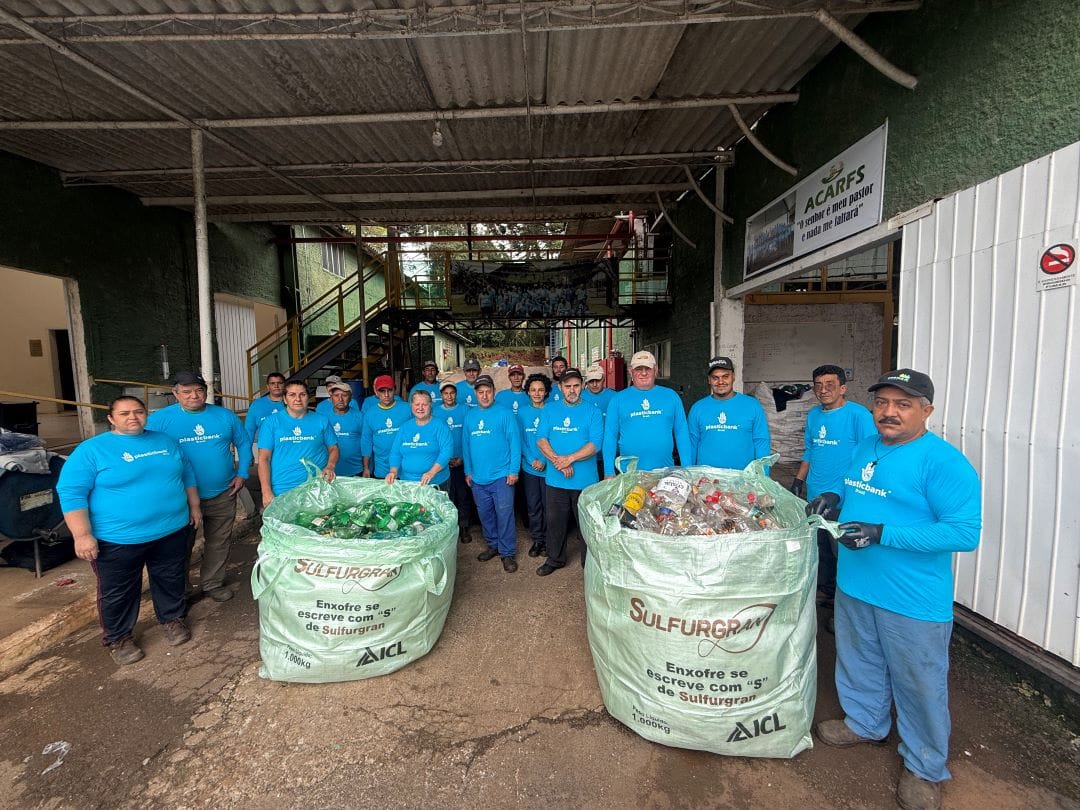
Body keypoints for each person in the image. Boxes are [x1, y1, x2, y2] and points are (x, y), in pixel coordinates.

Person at [806, 369, 981, 810]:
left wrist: (884, 533)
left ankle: (925, 766)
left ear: (927, 411)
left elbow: (963, 533)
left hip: (912, 598)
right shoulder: (867, 447)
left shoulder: (943, 462)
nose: (889, 412)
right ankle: (865, 722)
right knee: (858, 659)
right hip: (856, 584)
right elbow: (856, 492)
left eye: (903, 404)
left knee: (919, 682)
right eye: (882, 403)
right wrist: (834, 498)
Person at [57, 396, 201, 665]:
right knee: (119, 590)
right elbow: (71, 492)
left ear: (146, 415)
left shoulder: (165, 442)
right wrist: (82, 534)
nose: (132, 417)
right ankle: (119, 637)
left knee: (170, 578)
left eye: (138, 412)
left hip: (171, 529)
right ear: (111, 418)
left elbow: (187, 474)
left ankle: (172, 619)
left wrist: (194, 506)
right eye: (124, 413)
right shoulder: (92, 450)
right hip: (118, 538)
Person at [147, 371, 251, 603]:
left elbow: (243, 443)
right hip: (180, 497)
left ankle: (212, 583)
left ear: (205, 391)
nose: (194, 395)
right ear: (175, 394)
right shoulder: (159, 420)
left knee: (219, 540)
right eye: (186, 391)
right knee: (180, 546)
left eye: (199, 390)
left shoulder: (224, 416)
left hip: (223, 492)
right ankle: (180, 590)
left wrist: (242, 473)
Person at [791, 364, 876, 612]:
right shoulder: (814, 415)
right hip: (816, 495)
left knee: (844, 552)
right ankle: (827, 593)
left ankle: (847, 605)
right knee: (821, 548)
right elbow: (810, 449)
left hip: (845, 498)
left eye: (830, 385)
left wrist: (842, 490)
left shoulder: (858, 416)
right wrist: (799, 480)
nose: (823, 390)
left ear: (843, 387)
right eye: (818, 385)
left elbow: (869, 457)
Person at [535, 368, 603, 575]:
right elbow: (541, 439)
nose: (572, 390)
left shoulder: (593, 411)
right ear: (560, 387)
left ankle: (588, 563)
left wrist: (569, 459)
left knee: (586, 525)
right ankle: (555, 559)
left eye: (575, 385)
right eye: (567, 386)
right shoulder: (549, 410)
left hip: (585, 481)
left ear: (582, 386)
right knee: (555, 522)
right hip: (556, 480)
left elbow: (595, 444)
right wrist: (559, 461)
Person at [463, 374, 521, 572]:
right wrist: (468, 470)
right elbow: (466, 444)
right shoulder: (470, 415)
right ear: (476, 394)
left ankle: (507, 552)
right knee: (485, 514)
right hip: (478, 478)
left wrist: (513, 470)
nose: (485, 396)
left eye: (488, 392)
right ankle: (493, 545)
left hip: (501, 476)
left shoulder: (505, 414)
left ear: (494, 392)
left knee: (504, 514)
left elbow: (515, 443)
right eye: (481, 392)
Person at [602, 350, 691, 476]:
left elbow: (682, 433)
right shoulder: (617, 400)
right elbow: (610, 436)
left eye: (648, 369)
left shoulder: (671, 396)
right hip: (629, 474)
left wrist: (687, 468)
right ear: (630, 371)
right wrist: (608, 472)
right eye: (639, 369)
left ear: (656, 370)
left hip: (664, 473)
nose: (643, 373)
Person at [256, 380, 338, 507]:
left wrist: (330, 466)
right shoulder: (271, 422)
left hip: (317, 488)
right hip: (283, 489)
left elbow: (333, 448)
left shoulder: (321, 420)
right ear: (284, 399)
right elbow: (263, 459)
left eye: (302, 394)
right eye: (292, 395)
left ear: (308, 397)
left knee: (317, 524)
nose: (298, 399)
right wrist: (266, 491)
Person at [687, 356, 771, 469]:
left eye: (725, 376)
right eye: (715, 377)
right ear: (709, 380)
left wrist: (763, 476)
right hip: (706, 478)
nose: (720, 382)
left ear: (733, 377)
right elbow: (691, 444)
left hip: (743, 478)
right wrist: (688, 473)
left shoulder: (752, 405)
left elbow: (761, 441)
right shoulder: (698, 408)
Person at [386, 390, 452, 487]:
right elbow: (395, 453)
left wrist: (431, 473)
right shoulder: (404, 427)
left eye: (424, 404)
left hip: (435, 483)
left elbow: (447, 452)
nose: (420, 408)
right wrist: (393, 471)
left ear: (430, 405)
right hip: (407, 483)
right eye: (417, 404)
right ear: (411, 405)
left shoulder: (440, 426)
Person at [518, 373, 551, 558]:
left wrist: (545, 460)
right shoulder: (522, 413)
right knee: (533, 506)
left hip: (549, 468)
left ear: (546, 391)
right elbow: (520, 440)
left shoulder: (552, 410)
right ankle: (537, 540)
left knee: (549, 507)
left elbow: (555, 439)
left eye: (540, 390)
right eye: (533, 390)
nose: (537, 393)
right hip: (529, 467)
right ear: (528, 392)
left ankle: (548, 540)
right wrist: (532, 460)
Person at [437, 381, 473, 543]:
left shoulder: (465, 410)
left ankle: (464, 526)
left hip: (462, 460)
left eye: (452, 393)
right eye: (446, 393)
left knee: (463, 494)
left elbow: (470, 435)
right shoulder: (436, 412)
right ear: (441, 395)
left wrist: (463, 458)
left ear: (456, 394)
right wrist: (445, 459)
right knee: (447, 496)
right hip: (443, 463)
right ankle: (450, 527)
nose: (449, 396)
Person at [360, 374, 413, 479]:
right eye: (382, 391)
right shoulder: (370, 414)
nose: (386, 395)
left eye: (390, 390)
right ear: (376, 392)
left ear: (395, 390)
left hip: (406, 467)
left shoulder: (407, 409)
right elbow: (366, 441)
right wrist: (366, 467)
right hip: (382, 469)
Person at [324, 379, 365, 477]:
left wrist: (367, 467)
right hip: (329, 471)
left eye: (344, 395)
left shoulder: (360, 416)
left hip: (355, 469)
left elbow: (366, 443)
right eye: (336, 395)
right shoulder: (322, 417)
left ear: (351, 398)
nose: (340, 399)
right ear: (331, 398)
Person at [581, 366, 616, 479]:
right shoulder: (580, 397)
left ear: (604, 379)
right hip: (587, 453)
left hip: (611, 453)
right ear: (586, 381)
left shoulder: (614, 397)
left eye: (598, 380)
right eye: (591, 381)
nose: (595, 384)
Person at [244, 371, 285, 444]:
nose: (276, 386)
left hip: (289, 449)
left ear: (284, 385)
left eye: (279, 383)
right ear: (268, 387)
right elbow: (249, 431)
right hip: (265, 450)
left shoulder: (293, 404)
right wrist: (247, 453)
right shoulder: (257, 405)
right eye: (272, 383)